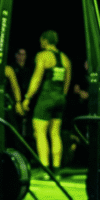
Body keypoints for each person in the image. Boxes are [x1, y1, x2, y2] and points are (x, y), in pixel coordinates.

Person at [22, 30, 71, 179]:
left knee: (40, 132)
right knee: (55, 133)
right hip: (60, 98)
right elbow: (67, 83)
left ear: (44, 41)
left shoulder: (43, 56)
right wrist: (61, 96)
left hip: (47, 97)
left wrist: (27, 98)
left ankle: (45, 168)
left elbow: (37, 78)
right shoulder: (65, 58)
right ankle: (56, 169)